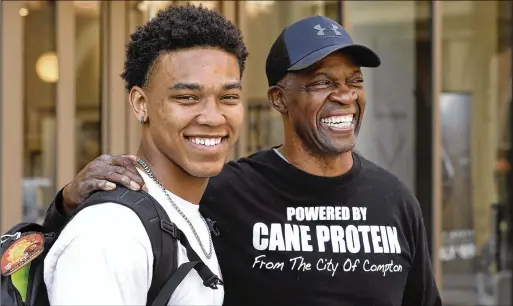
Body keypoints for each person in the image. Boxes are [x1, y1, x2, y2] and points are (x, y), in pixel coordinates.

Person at [43, 15, 442, 306]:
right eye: (321, 82)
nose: (344, 95)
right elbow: (100, 237)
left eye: (353, 81)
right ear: (278, 99)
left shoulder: (395, 200)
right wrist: (69, 202)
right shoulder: (219, 193)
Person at [42, 5, 247, 306]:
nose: (214, 117)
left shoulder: (186, 209)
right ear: (140, 103)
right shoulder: (112, 231)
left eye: (228, 97)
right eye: (187, 98)